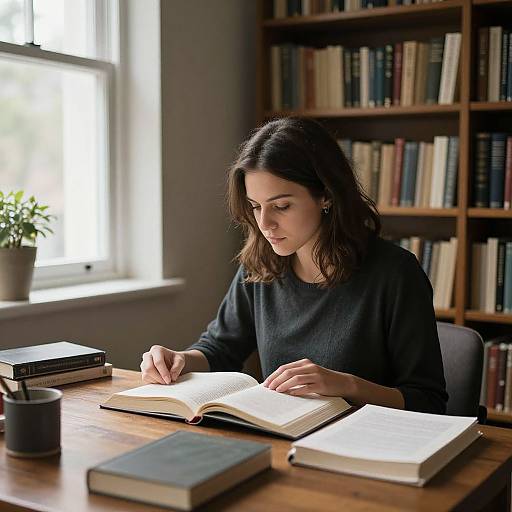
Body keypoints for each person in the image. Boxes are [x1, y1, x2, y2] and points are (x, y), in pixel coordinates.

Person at [140, 117, 448, 414]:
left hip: (366, 447)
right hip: (284, 437)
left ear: (325, 196)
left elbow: (427, 401)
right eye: (255, 207)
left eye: (282, 206)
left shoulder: (395, 274)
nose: (265, 224)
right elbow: (220, 349)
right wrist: (179, 359)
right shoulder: (260, 265)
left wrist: (346, 386)